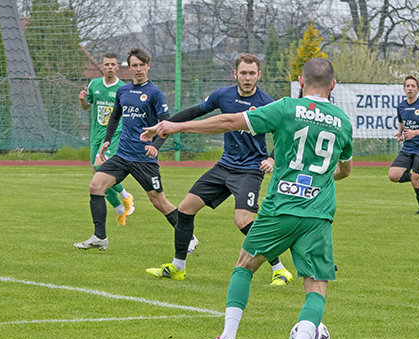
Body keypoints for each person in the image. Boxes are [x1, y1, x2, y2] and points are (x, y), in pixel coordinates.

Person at [142, 57, 353, 339]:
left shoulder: (286, 108)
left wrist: (176, 126)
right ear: (333, 85)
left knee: (245, 266)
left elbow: (229, 122)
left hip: (280, 207)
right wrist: (318, 178)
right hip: (318, 213)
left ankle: (227, 337)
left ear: (300, 81)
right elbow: (344, 171)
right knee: (316, 285)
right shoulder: (343, 122)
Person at [144, 53, 293, 285]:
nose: (247, 78)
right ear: (235, 74)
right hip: (224, 165)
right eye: (243, 73)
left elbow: (284, 134)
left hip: (250, 169)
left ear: (259, 75)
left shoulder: (267, 103)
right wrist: (164, 126)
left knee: (243, 221)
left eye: (251, 73)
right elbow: (195, 112)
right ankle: (177, 267)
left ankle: (280, 269)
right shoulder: (223, 95)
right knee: (185, 209)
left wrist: (272, 159)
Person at [74, 47, 198, 253]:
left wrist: (155, 146)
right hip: (122, 155)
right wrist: (107, 140)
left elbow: (165, 123)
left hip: (143, 158)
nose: (139, 69)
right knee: (95, 186)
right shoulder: (123, 91)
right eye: (134, 65)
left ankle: (190, 237)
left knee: (159, 201)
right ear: (129, 68)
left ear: (148, 66)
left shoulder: (155, 93)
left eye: (142, 65)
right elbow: (115, 116)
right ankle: (99, 237)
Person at [79, 52, 135, 226]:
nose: (110, 67)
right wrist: (82, 100)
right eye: (107, 64)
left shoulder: (123, 89)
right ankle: (120, 210)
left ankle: (125, 195)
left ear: (117, 67)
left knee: (100, 167)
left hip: (114, 134)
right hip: (96, 134)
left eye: (113, 64)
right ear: (102, 67)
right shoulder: (94, 84)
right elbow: (86, 106)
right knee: (98, 176)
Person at [387, 75, 419, 215]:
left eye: (413, 86)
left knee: (415, 180)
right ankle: (417, 175)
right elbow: (401, 121)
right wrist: (399, 132)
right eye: (407, 86)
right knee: (393, 175)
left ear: (418, 89)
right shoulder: (401, 106)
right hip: (408, 148)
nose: (410, 88)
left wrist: (415, 132)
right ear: (404, 89)